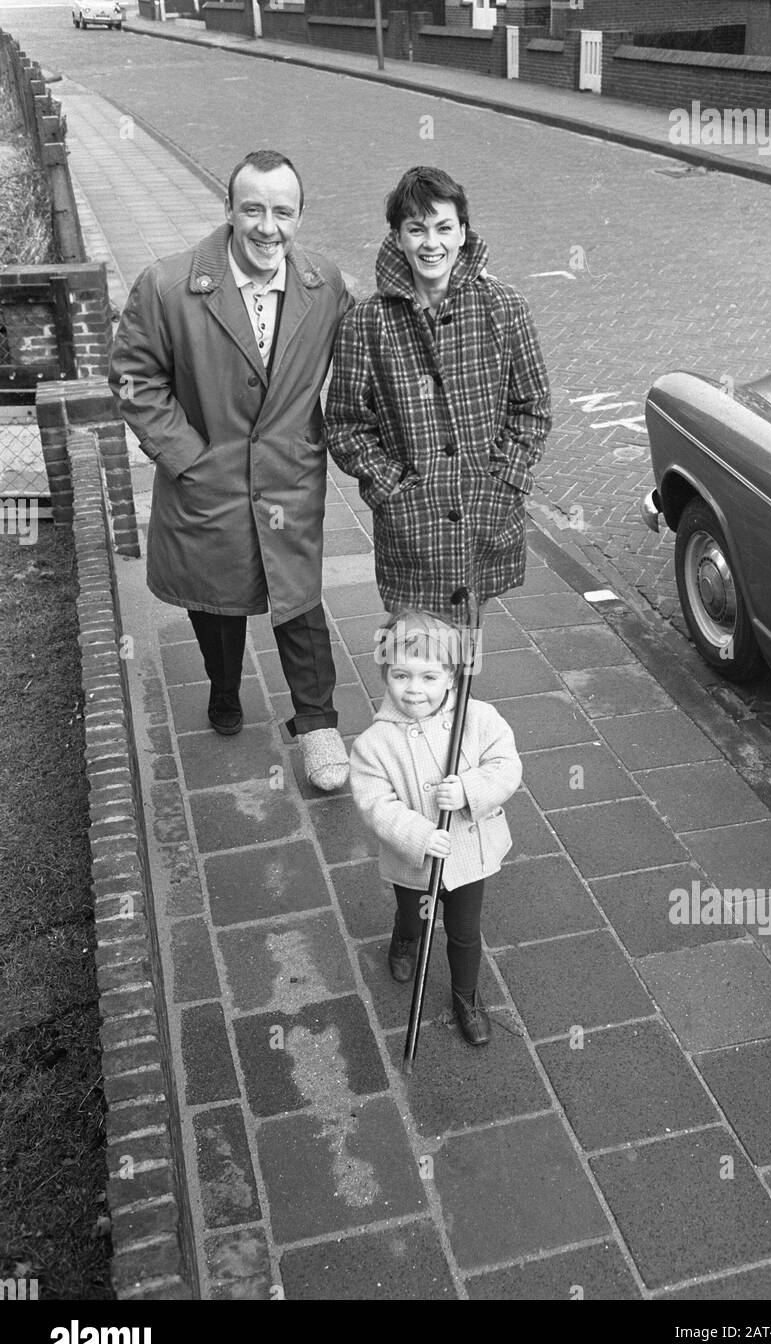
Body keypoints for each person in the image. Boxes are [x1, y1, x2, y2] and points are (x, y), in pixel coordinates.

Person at [109, 149, 352, 791]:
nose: (267, 227)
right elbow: (135, 378)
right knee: (217, 603)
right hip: (208, 480)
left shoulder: (324, 283)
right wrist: (187, 457)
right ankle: (223, 688)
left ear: (300, 215)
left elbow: (365, 354)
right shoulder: (167, 286)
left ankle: (317, 721)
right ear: (229, 210)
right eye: (253, 210)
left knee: (298, 596)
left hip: (288, 479)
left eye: (282, 211)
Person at [325, 165, 552, 621]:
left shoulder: (504, 308)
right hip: (413, 522)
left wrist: (504, 479)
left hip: (483, 505)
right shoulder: (367, 323)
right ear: (397, 237)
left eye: (444, 227)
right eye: (417, 229)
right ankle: (431, 695)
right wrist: (391, 488)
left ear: (463, 232)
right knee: (416, 647)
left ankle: (463, 696)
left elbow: (533, 407)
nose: (432, 244)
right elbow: (346, 424)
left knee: (470, 621)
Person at [349, 610, 522, 1046]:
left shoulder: (479, 719)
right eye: (401, 675)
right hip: (415, 861)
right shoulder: (374, 744)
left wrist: (468, 789)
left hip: (468, 856)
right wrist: (420, 835)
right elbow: (375, 805)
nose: (414, 689)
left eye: (429, 676)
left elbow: (506, 766)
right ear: (385, 673)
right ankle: (404, 937)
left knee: (465, 932)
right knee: (416, 916)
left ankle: (466, 996)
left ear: (451, 675)